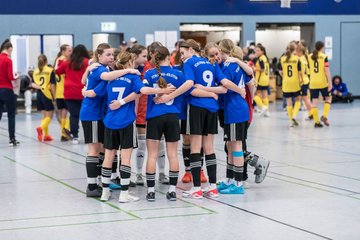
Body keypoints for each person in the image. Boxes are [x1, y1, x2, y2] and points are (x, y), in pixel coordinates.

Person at [157, 39, 246, 199]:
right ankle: (212, 188)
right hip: (212, 109)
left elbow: (190, 87)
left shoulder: (190, 63)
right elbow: (225, 84)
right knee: (210, 149)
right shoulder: (210, 64)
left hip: (197, 109)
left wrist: (169, 95)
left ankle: (197, 188)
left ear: (191, 50)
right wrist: (233, 90)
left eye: (182, 53)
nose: (182, 57)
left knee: (195, 149)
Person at [84, 50, 175, 202]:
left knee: (108, 156)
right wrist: (161, 90)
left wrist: (84, 91)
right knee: (125, 158)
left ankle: (105, 192)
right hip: (126, 121)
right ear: (128, 63)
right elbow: (143, 91)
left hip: (109, 122)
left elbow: (94, 93)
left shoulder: (110, 78)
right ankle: (124, 194)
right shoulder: (133, 76)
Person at [80, 43, 139, 198]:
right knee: (94, 149)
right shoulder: (100, 68)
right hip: (92, 114)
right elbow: (97, 86)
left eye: (113, 55)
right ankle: (92, 186)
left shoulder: (104, 69)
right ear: (99, 56)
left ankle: (101, 182)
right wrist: (128, 70)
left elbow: (85, 83)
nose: (111, 57)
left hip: (103, 115)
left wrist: (86, 74)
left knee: (103, 150)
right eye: (108, 54)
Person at [143, 46, 185, 201]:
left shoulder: (149, 73)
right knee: (173, 155)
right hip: (173, 117)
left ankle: (151, 191)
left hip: (154, 117)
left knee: (152, 155)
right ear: (169, 56)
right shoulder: (178, 74)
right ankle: (173, 190)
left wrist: (157, 93)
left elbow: (143, 89)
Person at [135, 42, 169, 185]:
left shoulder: (166, 68)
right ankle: (138, 174)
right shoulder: (143, 68)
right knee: (142, 144)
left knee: (160, 144)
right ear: (151, 54)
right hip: (143, 111)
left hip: (157, 111)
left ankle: (161, 173)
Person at [55, 44, 90, 143]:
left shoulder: (67, 62)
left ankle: (75, 136)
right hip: (83, 92)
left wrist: (59, 61)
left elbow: (57, 71)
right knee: (86, 115)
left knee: (74, 115)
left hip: (69, 93)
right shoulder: (87, 62)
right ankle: (88, 136)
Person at [308, 41, 332, 127]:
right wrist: (330, 83)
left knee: (314, 102)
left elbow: (308, 70)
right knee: (328, 98)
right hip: (322, 82)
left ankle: (316, 122)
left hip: (313, 83)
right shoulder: (324, 56)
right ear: (322, 47)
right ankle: (324, 116)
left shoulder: (309, 56)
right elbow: (327, 71)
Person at [0, 39, 19, 146]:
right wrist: (17, 75)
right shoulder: (8, 60)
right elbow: (11, 77)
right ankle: (12, 139)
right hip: (6, 89)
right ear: (9, 49)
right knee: (11, 115)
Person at [32, 54, 56, 141]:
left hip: (39, 94)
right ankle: (41, 128)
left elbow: (32, 84)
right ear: (46, 61)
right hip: (47, 94)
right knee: (50, 114)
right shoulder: (50, 70)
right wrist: (54, 97)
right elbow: (52, 85)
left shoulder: (35, 71)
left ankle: (45, 135)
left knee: (44, 115)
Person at [279, 43, 303, 127]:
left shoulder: (282, 59)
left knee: (288, 102)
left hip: (286, 82)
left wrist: (284, 77)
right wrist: (302, 81)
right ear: (294, 50)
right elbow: (300, 72)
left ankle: (291, 121)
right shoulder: (297, 59)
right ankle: (294, 115)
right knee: (297, 100)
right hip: (295, 82)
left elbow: (280, 72)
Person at [53, 44, 72, 141]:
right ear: (63, 51)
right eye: (69, 50)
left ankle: (63, 133)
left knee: (63, 114)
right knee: (69, 113)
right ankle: (65, 132)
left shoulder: (57, 61)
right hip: (65, 91)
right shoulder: (65, 61)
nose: (71, 52)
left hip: (59, 92)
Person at [253, 44, 271, 117]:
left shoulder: (261, 59)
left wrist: (254, 69)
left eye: (258, 51)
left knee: (254, 94)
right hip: (266, 79)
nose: (256, 52)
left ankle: (263, 107)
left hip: (260, 80)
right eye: (256, 51)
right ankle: (267, 112)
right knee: (264, 96)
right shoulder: (265, 58)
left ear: (262, 51)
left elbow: (262, 69)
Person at [296, 44, 313, 119]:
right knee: (304, 99)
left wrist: (301, 81)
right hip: (306, 80)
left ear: (300, 52)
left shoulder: (299, 60)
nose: (295, 53)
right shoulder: (304, 58)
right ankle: (311, 113)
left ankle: (312, 114)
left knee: (305, 99)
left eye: (296, 52)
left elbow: (299, 72)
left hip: (303, 81)